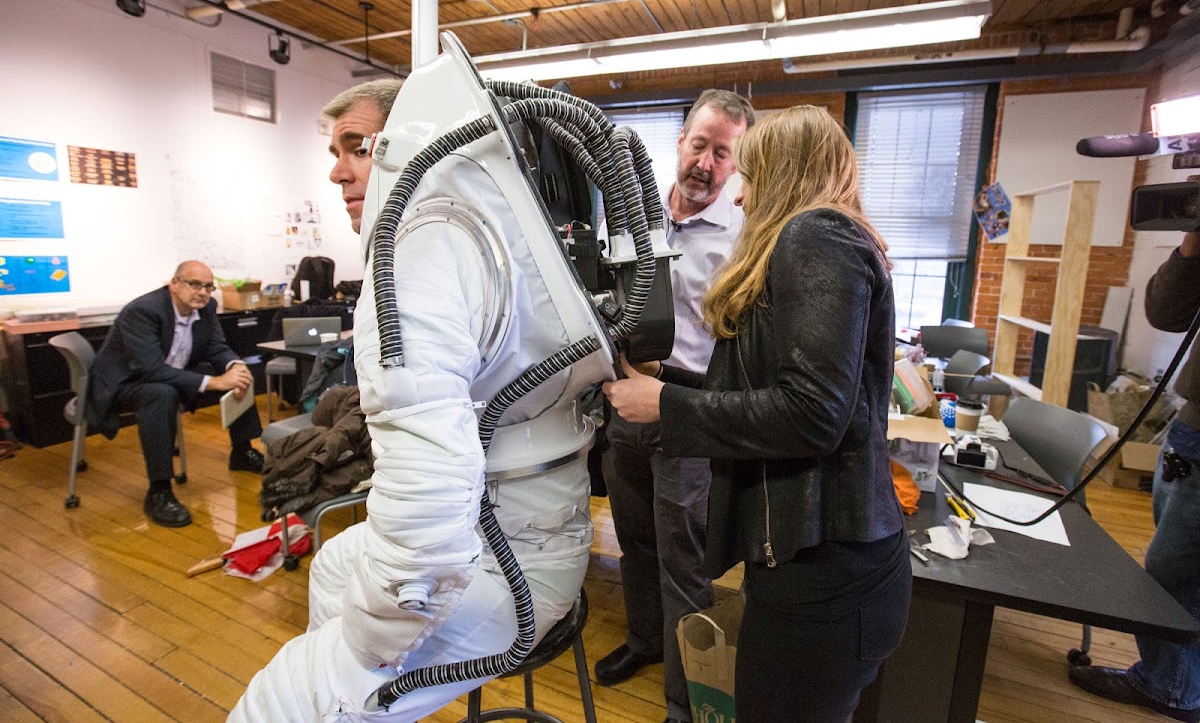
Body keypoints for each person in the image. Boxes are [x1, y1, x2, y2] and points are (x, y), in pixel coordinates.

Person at [231, 76, 600, 720]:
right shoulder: (492, 235)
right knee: (333, 567)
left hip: (503, 562)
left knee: (278, 704)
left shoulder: (420, 248)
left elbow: (429, 496)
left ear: (403, 142)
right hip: (535, 534)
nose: (338, 173)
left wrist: (370, 649)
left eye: (355, 147)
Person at [603, 105, 912, 722]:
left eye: (749, 176)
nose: (739, 197)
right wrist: (675, 380)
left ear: (784, 176)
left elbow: (812, 415)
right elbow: (783, 390)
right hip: (825, 567)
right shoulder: (827, 238)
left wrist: (666, 406)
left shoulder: (814, 235)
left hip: (825, 576)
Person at [595, 89, 754, 723]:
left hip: (687, 403)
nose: (706, 164)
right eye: (699, 145)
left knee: (683, 558)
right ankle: (645, 641)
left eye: (723, 154)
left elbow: (741, 338)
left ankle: (685, 701)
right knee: (633, 538)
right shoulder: (634, 220)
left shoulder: (742, 237)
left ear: (735, 163)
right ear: (680, 141)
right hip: (622, 394)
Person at [1069, 228, 1200, 723]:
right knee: (1175, 566)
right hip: (1193, 426)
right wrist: (1192, 246)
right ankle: (1176, 677)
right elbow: (1165, 312)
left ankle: (1170, 687)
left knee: (1176, 570)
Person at [86, 260, 264, 527]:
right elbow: (151, 369)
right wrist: (214, 382)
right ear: (174, 284)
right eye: (194, 284)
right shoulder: (143, 311)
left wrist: (234, 365)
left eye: (208, 287)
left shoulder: (207, 308)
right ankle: (159, 490)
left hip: (173, 372)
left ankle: (242, 450)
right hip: (128, 381)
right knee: (161, 394)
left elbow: (217, 347)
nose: (202, 292)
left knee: (240, 375)